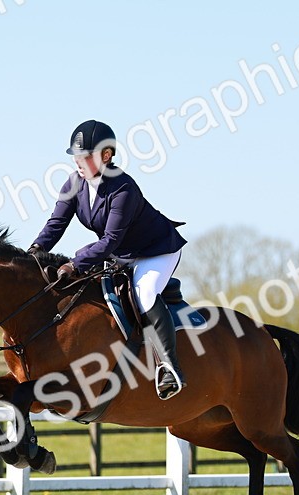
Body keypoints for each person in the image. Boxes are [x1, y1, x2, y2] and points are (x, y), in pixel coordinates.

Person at [29, 120, 188, 400]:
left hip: (155, 251)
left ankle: (169, 368)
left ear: (106, 155)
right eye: (76, 155)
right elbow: (56, 223)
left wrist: (75, 264)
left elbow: (110, 240)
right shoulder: (74, 183)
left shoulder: (123, 188)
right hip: (120, 251)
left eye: (86, 155)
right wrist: (34, 252)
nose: (78, 161)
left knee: (144, 293)